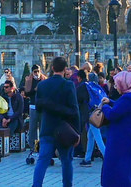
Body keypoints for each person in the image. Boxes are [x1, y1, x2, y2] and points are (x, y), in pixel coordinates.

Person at [32, 56, 80, 187]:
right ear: (65, 69)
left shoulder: (42, 85)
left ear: (52, 68)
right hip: (65, 129)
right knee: (66, 161)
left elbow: (38, 108)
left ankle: (36, 185)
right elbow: (75, 110)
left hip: (47, 127)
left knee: (43, 160)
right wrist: (77, 131)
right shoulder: (68, 85)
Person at [100, 71, 131, 187]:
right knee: (126, 170)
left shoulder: (127, 97)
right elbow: (122, 109)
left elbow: (112, 115)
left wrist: (105, 107)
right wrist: (111, 102)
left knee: (118, 171)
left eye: (117, 84)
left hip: (121, 139)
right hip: (128, 137)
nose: (116, 86)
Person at [81, 72, 107, 166]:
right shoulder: (98, 88)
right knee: (91, 136)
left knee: (97, 136)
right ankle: (87, 158)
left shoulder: (88, 87)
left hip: (91, 113)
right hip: (98, 112)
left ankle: (106, 156)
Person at [24, 63, 46, 154]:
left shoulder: (44, 79)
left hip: (42, 106)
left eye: (38, 71)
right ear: (32, 72)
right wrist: (35, 90)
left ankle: (42, 146)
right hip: (33, 106)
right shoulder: (30, 80)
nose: (37, 73)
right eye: (35, 72)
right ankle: (33, 147)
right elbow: (27, 93)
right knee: (33, 127)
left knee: (42, 127)